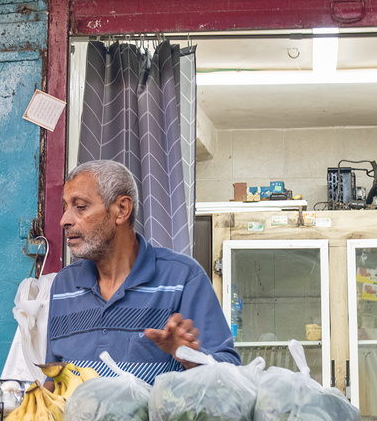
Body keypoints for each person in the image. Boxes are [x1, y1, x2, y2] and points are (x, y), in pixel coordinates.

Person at [48, 159, 237, 381]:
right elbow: (53, 379)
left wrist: (188, 356)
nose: (64, 220)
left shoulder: (182, 278)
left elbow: (231, 375)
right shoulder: (64, 285)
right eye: (65, 207)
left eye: (80, 207)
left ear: (121, 209)